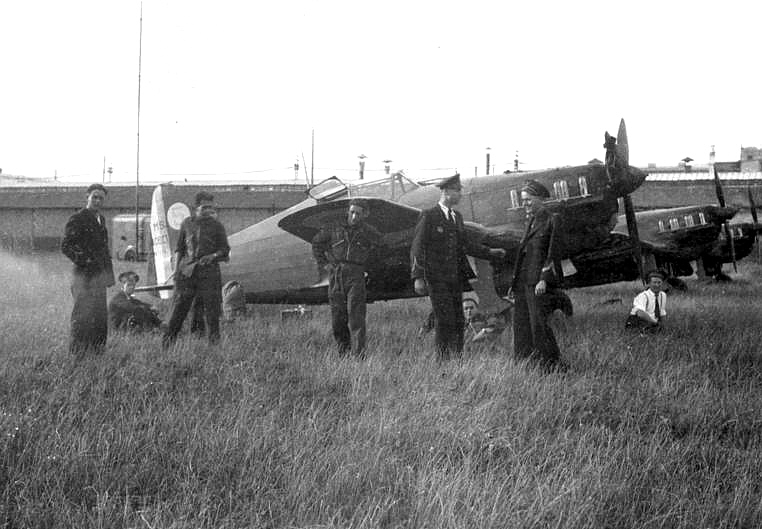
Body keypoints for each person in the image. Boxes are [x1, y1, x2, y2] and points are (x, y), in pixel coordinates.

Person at [410, 173, 506, 360]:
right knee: (444, 319)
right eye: (458, 190)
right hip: (436, 279)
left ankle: (457, 358)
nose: (461, 194)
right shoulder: (429, 215)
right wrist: (418, 277)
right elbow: (417, 248)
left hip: (455, 279)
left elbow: (466, 246)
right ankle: (443, 361)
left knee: (458, 319)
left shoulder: (457, 218)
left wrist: (490, 252)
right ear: (446, 192)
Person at [311, 198, 382, 356]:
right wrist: (325, 264)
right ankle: (343, 352)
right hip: (337, 274)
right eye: (352, 212)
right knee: (337, 317)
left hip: (356, 275)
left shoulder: (370, 232)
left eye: (358, 213)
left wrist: (368, 269)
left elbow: (379, 251)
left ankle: (358, 355)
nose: (354, 216)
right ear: (348, 212)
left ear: (365, 214)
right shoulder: (334, 228)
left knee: (356, 317)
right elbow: (316, 243)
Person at [162, 191, 230, 349]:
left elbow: (225, 249)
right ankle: (166, 345)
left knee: (212, 313)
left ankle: (214, 348)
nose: (208, 210)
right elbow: (180, 249)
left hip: (209, 274)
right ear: (196, 207)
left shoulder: (217, 225)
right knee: (177, 311)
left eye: (211, 207)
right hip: (187, 274)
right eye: (204, 207)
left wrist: (213, 256)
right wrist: (176, 272)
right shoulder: (186, 223)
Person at [509, 179, 565, 370]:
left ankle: (551, 365)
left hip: (537, 282)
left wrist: (544, 279)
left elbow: (553, 252)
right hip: (523, 281)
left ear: (540, 199)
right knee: (521, 324)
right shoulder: (531, 220)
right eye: (523, 200)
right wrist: (514, 283)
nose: (524, 203)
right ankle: (525, 362)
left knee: (538, 324)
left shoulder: (551, 219)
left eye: (528, 199)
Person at [61, 183, 115, 355]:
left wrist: (108, 275)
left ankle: (97, 352)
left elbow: (104, 250)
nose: (98, 201)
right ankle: (77, 354)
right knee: (82, 316)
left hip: (99, 277)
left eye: (101, 198)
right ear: (87, 197)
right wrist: (86, 261)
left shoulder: (101, 219)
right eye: (94, 197)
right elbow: (66, 245)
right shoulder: (78, 218)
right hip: (83, 277)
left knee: (99, 316)